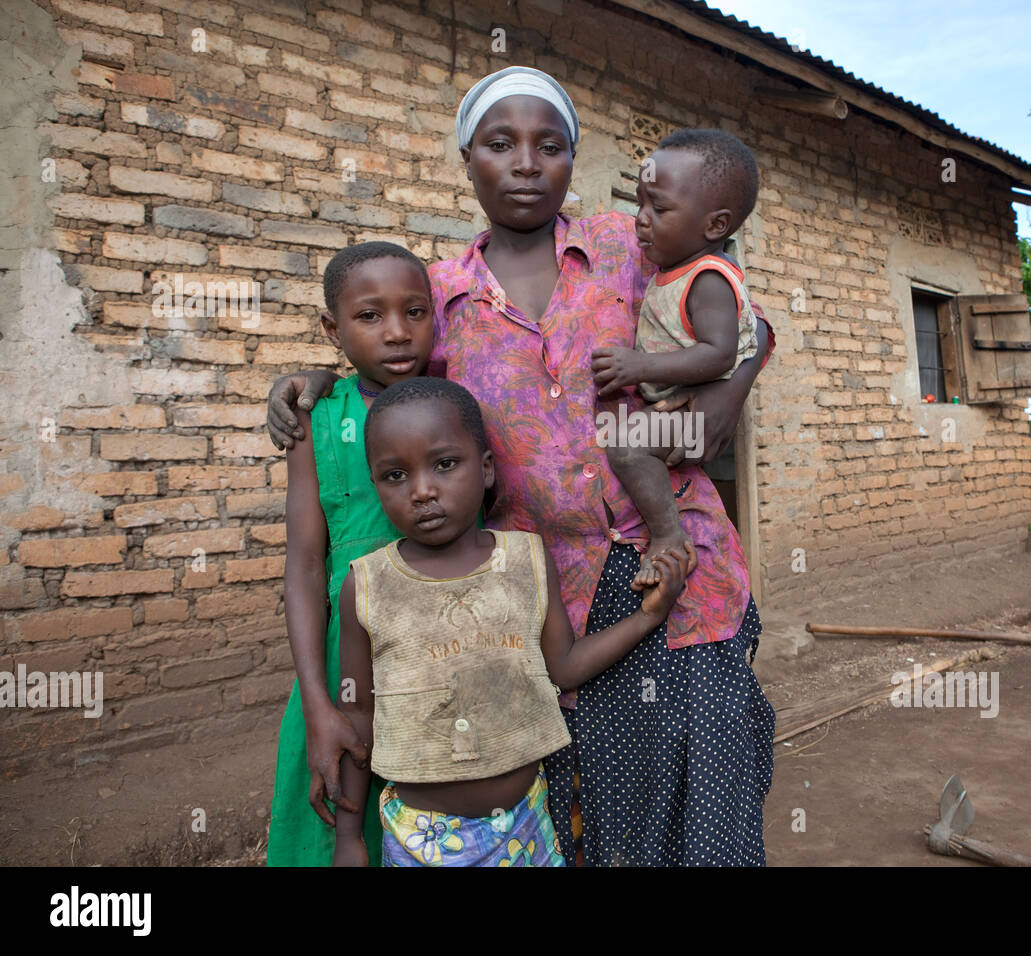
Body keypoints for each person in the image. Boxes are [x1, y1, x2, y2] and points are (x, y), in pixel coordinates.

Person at [266, 65, 776, 866]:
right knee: (591, 808)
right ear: (468, 159)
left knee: (708, 789)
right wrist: (314, 379)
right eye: (501, 144)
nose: (528, 163)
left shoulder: (629, 246)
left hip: (683, 561)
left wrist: (720, 406)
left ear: (573, 161)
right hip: (547, 594)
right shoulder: (437, 298)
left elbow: (746, 318)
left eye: (552, 145)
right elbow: (384, 372)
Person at [332, 377, 691, 867]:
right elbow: (357, 715)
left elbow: (562, 667)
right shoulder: (367, 585)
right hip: (420, 838)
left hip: (526, 825)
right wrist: (349, 838)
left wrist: (649, 617)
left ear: (484, 471)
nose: (421, 491)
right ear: (375, 484)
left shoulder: (524, 557)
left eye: (444, 464)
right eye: (395, 475)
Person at [267, 242, 435, 867]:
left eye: (415, 311)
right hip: (345, 666)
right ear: (331, 331)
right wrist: (317, 703)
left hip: (447, 654)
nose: (397, 332)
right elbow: (306, 563)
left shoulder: (455, 409)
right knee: (338, 824)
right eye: (370, 316)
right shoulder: (318, 418)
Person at [591, 128, 761, 585]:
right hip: (677, 408)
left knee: (626, 446)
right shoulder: (676, 268)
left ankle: (667, 536)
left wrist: (639, 367)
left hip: (692, 412)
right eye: (639, 203)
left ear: (715, 226)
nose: (641, 220)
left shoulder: (708, 279)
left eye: (659, 208)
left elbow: (721, 353)